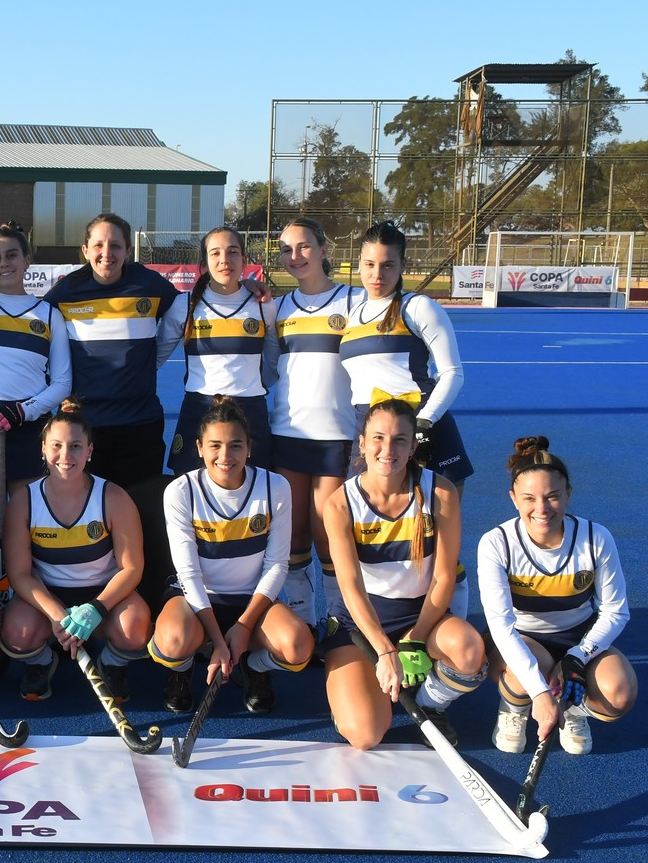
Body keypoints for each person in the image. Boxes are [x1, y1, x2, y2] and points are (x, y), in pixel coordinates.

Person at [321, 399, 486, 749]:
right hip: (360, 625)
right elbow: (349, 588)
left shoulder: (440, 492)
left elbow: (443, 578)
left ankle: (431, 704)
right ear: (362, 443)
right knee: (365, 735)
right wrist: (384, 650)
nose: (387, 449)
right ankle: (354, 695)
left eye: (399, 440)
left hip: (421, 615)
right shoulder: (339, 503)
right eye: (378, 438)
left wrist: (415, 639)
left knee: (470, 651)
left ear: (413, 446)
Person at [340, 221, 473, 617]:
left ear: (401, 267)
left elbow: (452, 373)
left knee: (437, 546)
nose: (377, 275)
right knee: (377, 537)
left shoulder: (417, 307)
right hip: (374, 435)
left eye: (387, 265)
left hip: (423, 430)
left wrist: (423, 425)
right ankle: (382, 628)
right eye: (368, 264)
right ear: (358, 265)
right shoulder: (353, 313)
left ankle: (449, 634)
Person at [148, 398, 310, 714]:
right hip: (195, 598)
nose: (225, 456)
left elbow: (277, 564)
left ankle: (253, 665)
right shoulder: (181, 491)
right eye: (215, 446)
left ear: (250, 447)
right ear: (198, 448)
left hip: (252, 601)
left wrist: (244, 626)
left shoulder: (275, 486)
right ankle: (181, 671)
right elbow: (189, 574)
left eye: (235, 446)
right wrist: (218, 642)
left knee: (298, 646)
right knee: (172, 641)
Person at [479, 437, 637, 755]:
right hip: (523, 638)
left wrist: (577, 658)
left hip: (578, 637)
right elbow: (501, 625)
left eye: (552, 497)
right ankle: (516, 707)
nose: (541, 509)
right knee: (529, 674)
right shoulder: (496, 543)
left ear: (568, 494)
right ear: (513, 499)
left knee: (618, 696)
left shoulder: (596, 538)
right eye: (529, 498)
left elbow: (615, 611)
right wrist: (539, 692)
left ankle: (573, 709)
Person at [0, 400, 149, 702]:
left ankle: (111, 664)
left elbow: (132, 568)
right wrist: (56, 614)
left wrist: (96, 609)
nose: (65, 456)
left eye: (76, 446)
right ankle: (42, 662)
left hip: (103, 594)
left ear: (90, 451)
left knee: (134, 629)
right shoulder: (24, 500)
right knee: (17, 633)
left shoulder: (113, 497)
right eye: (56, 446)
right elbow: (19, 574)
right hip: (49, 595)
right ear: (43, 447)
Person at [38, 213, 178, 488]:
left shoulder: (150, 285)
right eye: (99, 245)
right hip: (86, 427)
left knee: (140, 512)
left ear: (128, 250)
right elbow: (33, 334)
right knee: (89, 514)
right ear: (85, 250)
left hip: (141, 425)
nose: (107, 253)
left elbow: (191, 306)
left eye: (115, 245)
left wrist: (244, 288)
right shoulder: (64, 294)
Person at [270, 217, 359, 632]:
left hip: (336, 437)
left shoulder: (353, 302)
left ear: (324, 249)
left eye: (304, 246)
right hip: (287, 433)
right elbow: (270, 369)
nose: (295, 256)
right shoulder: (277, 307)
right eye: (286, 249)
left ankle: (341, 619)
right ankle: (306, 618)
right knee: (294, 536)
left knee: (330, 535)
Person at [0, 222, 71, 509]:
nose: (4, 263)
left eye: (12, 255)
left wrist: (23, 411)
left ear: (27, 259)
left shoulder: (49, 315)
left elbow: (63, 382)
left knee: (25, 523)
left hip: (28, 427)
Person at [156, 226, 276, 476]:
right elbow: (155, 357)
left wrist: (250, 388)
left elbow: (273, 363)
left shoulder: (263, 305)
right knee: (190, 492)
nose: (224, 260)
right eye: (215, 253)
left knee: (255, 493)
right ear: (204, 263)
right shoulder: (185, 305)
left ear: (244, 259)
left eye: (232, 252)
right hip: (198, 409)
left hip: (251, 411)